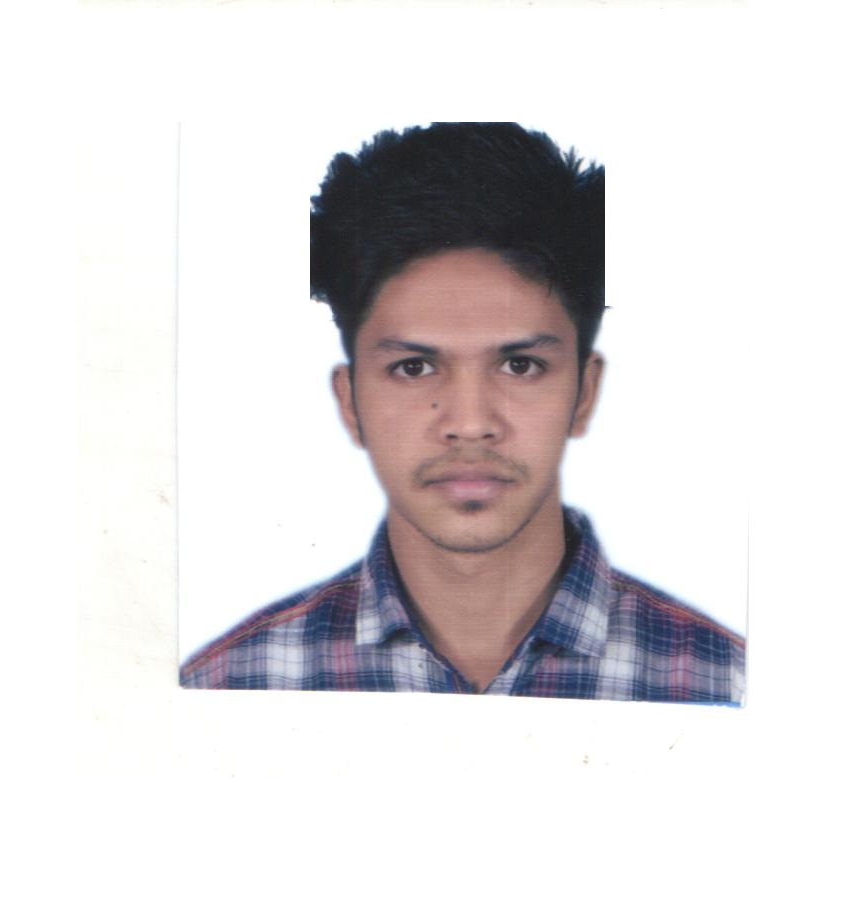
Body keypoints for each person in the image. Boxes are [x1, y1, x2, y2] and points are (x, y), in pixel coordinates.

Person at [181, 123, 744, 702]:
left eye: (520, 366)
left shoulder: (726, 684)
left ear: (584, 392)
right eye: (414, 367)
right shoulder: (230, 685)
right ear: (350, 403)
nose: (470, 423)